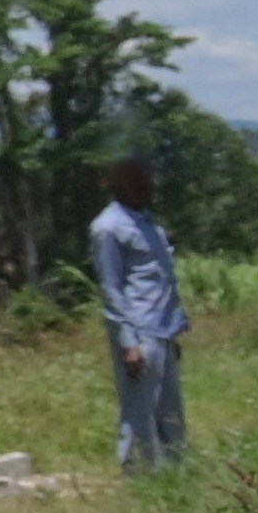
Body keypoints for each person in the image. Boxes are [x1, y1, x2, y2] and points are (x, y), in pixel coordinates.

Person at [95, 168, 191, 473]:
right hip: (138, 330)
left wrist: (174, 329)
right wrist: (129, 342)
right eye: (144, 179)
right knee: (141, 408)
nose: (152, 185)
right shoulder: (108, 228)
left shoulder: (148, 224)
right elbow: (111, 287)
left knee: (170, 409)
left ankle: (174, 473)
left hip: (162, 327)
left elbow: (161, 280)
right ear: (124, 183)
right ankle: (139, 474)